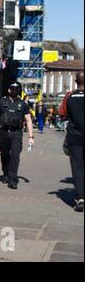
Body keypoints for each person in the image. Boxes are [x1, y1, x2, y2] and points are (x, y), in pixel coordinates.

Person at [0, 82, 35, 189]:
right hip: (4, 132)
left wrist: (31, 137)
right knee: (4, 155)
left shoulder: (23, 104)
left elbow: (29, 121)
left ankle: (12, 179)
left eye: (17, 89)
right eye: (13, 89)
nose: (14, 91)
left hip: (16, 133)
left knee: (15, 155)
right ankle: (6, 173)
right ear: (9, 90)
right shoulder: (2, 102)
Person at [64, 72, 84, 212]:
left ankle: (80, 197)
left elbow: (66, 116)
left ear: (76, 81)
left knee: (77, 167)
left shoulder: (70, 98)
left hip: (75, 137)